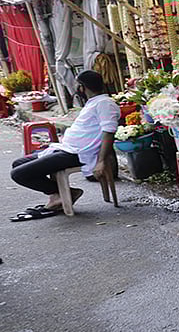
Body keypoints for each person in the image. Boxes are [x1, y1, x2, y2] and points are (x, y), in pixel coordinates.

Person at [10, 70, 118, 221]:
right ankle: (59, 194)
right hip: (66, 149)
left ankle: (65, 194)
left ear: (81, 87)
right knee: (18, 163)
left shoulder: (105, 104)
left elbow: (109, 132)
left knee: (18, 174)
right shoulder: (94, 102)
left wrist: (101, 161)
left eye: (76, 85)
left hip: (77, 154)